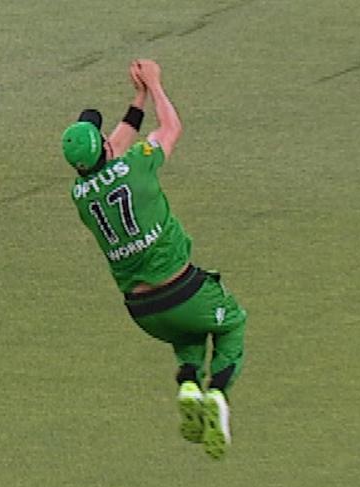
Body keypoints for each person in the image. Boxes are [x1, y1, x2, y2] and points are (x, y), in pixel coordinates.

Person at [61, 59, 247, 460]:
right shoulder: (136, 165)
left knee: (188, 335)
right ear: (104, 148)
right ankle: (217, 394)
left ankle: (188, 382)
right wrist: (157, 87)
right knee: (233, 324)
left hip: (144, 312)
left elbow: (111, 149)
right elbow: (170, 130)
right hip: (183, 290)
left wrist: (137, 99)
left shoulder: (81, 195)